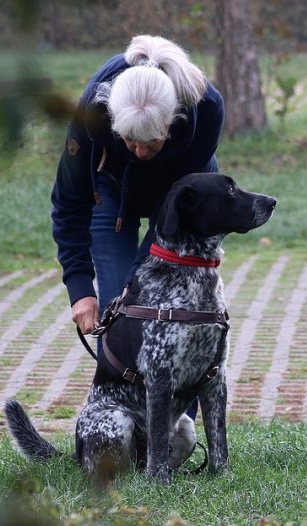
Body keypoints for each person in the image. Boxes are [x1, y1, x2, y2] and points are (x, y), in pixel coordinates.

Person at [51, 34, 225, 335]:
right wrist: (79, 288)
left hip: (181, 193)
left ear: (173, 121)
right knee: (117, 308)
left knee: (169, 302)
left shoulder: (207, 107)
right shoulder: (91, 115)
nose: (140, 151)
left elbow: (178, 205)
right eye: (129, 140)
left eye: (151, 141)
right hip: (110, 189)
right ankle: (116, 380)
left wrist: (138, 281)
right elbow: (70, 201)